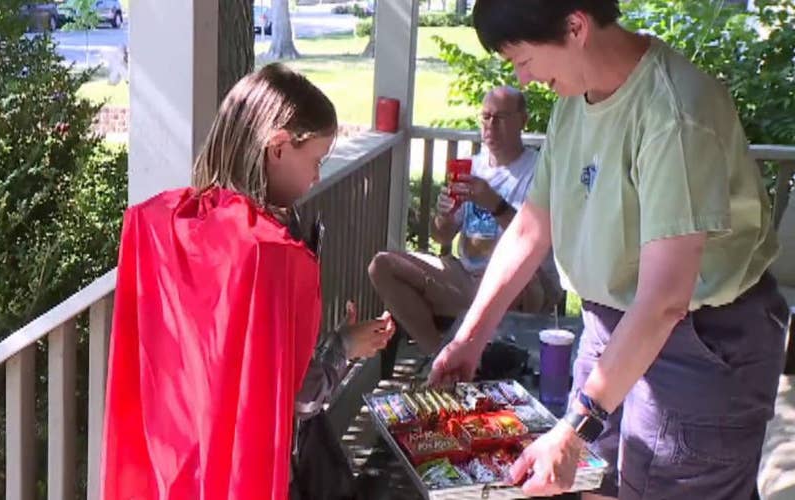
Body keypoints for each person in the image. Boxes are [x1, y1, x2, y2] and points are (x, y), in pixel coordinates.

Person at [428, 2, 790, 499]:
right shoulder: (573, 99)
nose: (523, 78)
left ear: (575, 26)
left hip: (702, 341)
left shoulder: (674, 112)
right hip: (609, 326)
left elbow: (664, 300)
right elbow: (531, 228)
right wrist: (470, 338)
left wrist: (575, 428)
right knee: (591, 482)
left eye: (523, 59)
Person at [100, 63, 393, 500]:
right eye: (315, 161)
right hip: (242, 473)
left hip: (175, 466)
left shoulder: (163, 224)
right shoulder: (269, 253)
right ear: (278, 147)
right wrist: (344, 347)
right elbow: (297, 396)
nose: (317, 177)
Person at [368, 86, 561, 355]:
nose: (490, 125)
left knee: (515, 282)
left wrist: (495, 205)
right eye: (486, 117)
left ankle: (480, 357)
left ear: (522, 121)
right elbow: (441, 236)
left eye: (501, 117)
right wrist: (444, 216)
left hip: (523, 281)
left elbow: (541, 240)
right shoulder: (471, 167)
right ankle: (438, 356)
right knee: (382, 266)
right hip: (466, 276)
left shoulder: (540, 172)